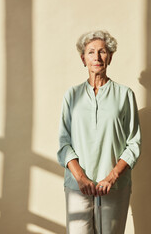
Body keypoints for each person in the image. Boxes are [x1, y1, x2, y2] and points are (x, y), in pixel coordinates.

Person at [57, 30, 141, 234]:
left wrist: (112, 177)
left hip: (114, 186)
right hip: (77, 186)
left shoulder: (124, 95)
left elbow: (133, 144)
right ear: (83, 59)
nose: (96, 57)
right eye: (91, 52)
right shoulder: (72, 95)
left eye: (102, 51)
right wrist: (81, 178)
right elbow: (64, 143)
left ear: (110, 57)